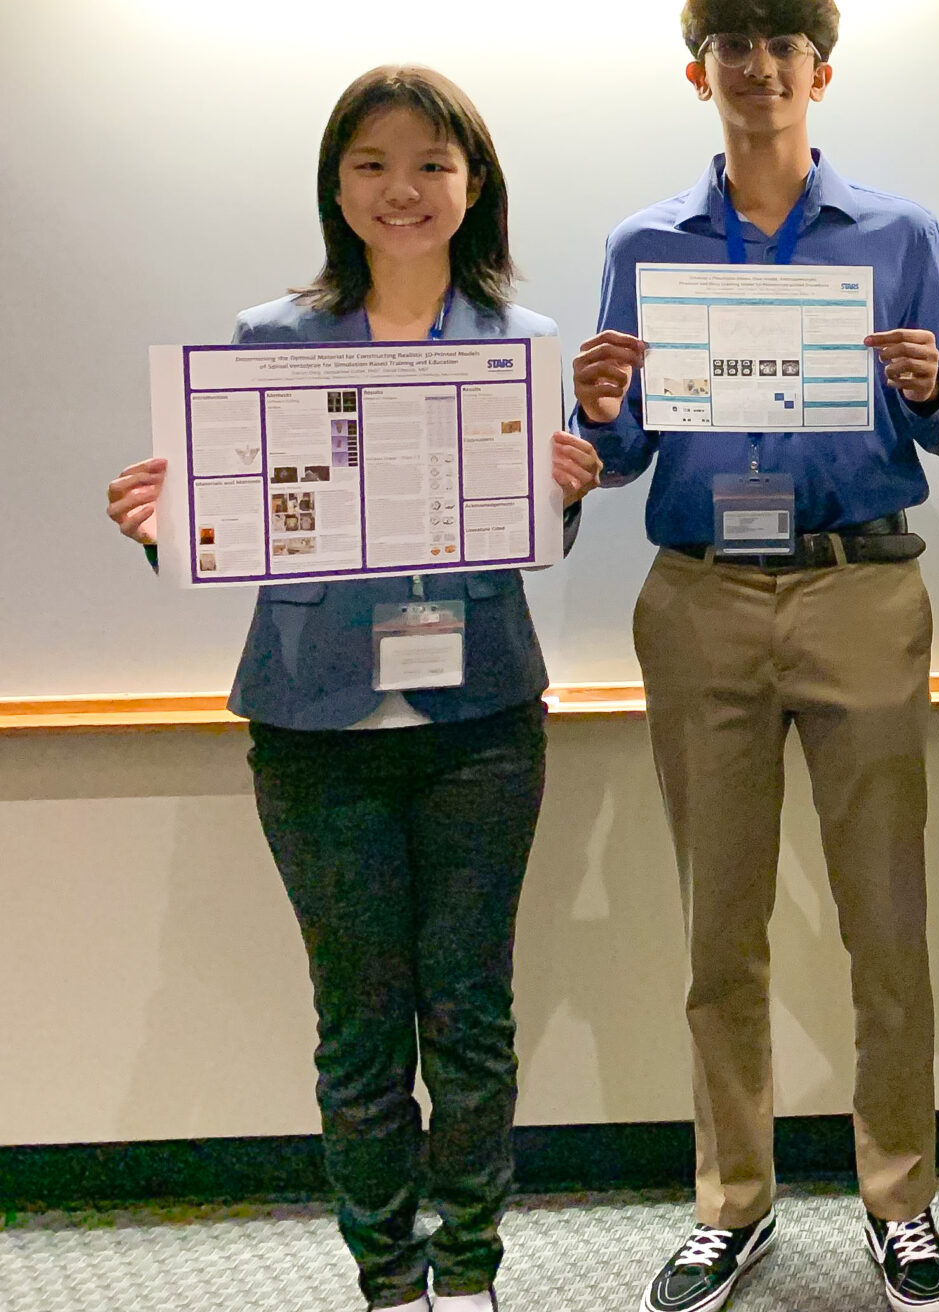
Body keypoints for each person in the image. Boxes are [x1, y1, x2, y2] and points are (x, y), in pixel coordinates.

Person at [104, 66, 601, 1312]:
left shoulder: (525, 346)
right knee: (360, 1028)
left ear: (471, 185)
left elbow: (538, 540)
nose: (404, 189)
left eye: (431, 164)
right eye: (374, 164)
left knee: (471, 1016)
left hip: (479, 720)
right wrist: (159, 529)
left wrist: (569, 490)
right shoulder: (270, 339)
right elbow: (228, 532)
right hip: (313, 724)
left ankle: (473, 1270)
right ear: (338, 185)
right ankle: (391, 1277)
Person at [570, 0, 939, 1312]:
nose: (758, 68)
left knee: (885, 920)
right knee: (718, 927)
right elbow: (623, 453)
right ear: (700, 73)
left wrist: (929, 387)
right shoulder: (647, 246)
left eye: (782, 46)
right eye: (731, 48)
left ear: (823, 69)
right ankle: (732, 1202)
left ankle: (900, 1201)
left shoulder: (899, 230)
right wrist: (601, 407)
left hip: (859, 586)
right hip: (700, 596)